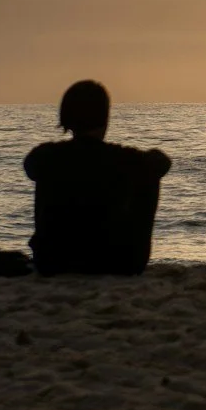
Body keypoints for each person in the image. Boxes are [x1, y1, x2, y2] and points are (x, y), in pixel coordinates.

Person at [24, 79, 171, 276]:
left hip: (53, 262)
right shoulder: (125, 159)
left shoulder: (47, 155)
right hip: (119, 263)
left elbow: (30, 167)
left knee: (46, 173)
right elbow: (162, 163)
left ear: (66, 116)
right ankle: (134, 250)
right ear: (105, 117)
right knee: (149, 175)